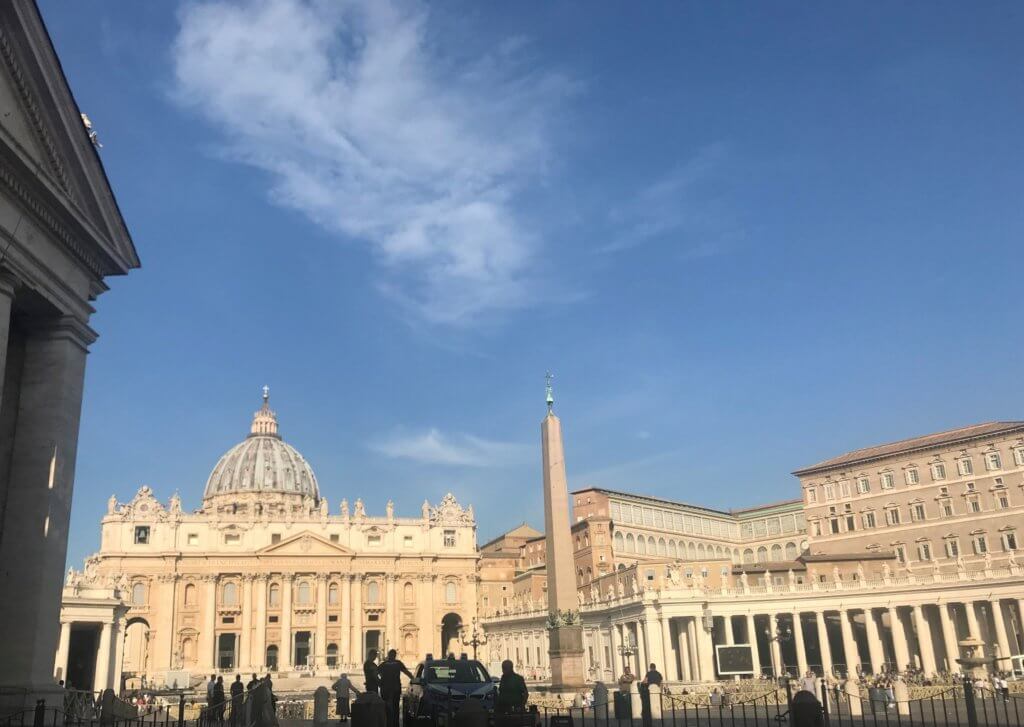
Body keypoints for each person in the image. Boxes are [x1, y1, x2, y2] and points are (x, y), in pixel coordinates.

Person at [377, 649, 413, 727]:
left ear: (388, 655)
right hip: (396, 688)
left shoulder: (384, 664)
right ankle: (395, 724)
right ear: (395, 655)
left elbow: (376, 673)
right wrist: (414, 679)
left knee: (386, 707)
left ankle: (387, 724)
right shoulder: (398, 663)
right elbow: (406, 672)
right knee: (395, 707)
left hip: (385, 689)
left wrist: (380, 681)